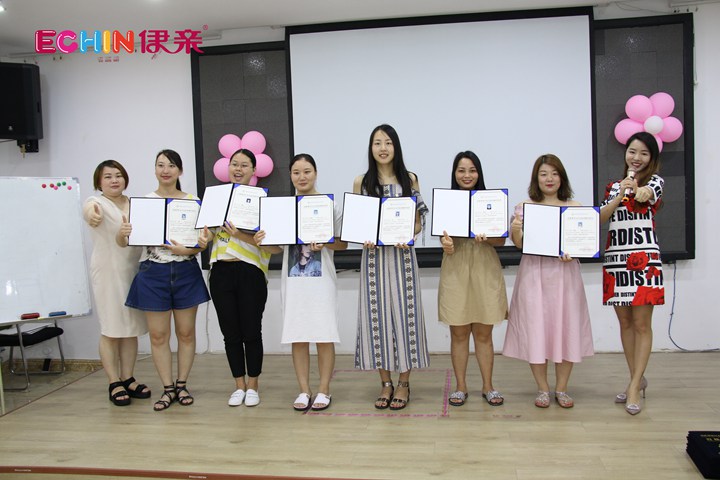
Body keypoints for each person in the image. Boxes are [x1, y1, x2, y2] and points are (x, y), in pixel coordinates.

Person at [502, 154, 594, 408]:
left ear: (562, 177)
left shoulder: (575, 207)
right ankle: (542, 389)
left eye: (554, 173)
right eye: (543, 174)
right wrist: (516, 229)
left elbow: (581, 243)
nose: (549, 179)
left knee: (566, 328)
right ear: (536, 178)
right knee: (536, 330)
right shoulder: (524, 207)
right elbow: (519, 244)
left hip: (565, 275)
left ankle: (562, 388)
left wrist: (574, 251)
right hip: (534, 274)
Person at [124, 149, 210, 411]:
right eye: (160, 165)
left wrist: (198, 245)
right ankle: (167, 388)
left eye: (171, 165)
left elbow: (201, 244)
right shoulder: (144, 202)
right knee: (159, 336)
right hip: (153, 273)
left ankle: (182, 384)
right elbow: (128, 240)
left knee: (186, 333)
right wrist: (125, 232)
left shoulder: (193, 202)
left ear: (180, 171)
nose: (165, 170)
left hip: (186, 272)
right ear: (155, 169)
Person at [353, 124, 429, 411]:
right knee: (377, 320)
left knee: (406, 319)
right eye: (377, 143)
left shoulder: (410, 179)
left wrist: (408, 233)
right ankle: (385, 383)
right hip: (373, 260)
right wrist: (363, 235)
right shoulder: (361, 182)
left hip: (402, 259)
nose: (383, 148)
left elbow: (419, 222)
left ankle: (404, 383)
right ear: (371, 148)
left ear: (396, 147)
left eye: (388, 142)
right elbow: (358, 222)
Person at [198, 148, 275, 408]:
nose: (238, 169)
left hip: (251, 271)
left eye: (244, 165)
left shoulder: (263, 202)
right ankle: (238, 385)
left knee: (251, 331)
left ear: (254, 170)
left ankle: (253, 385)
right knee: (230, 333)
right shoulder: (216, 198)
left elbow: (273, 246)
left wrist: (240, 234)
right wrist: (203, 238)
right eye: (234, 164)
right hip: (221, 271)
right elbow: (208, 234)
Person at [277, 154, 347, 411]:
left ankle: (324, 390)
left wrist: (325, 242)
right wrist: (263, 239)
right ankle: (304, 390)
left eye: (307, 171)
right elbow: (275, 248)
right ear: (290, 175)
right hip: (293, 282)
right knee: (298, 335)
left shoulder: (330, 206)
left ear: (315, 173)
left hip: (322, 282)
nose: (302, 177)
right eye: (296, 172)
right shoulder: (284, 208)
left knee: (324, 334)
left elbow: (342, 244)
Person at [600, 132, 664, 415]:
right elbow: (601, 217)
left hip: (645, 263)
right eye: (632, 151)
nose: (636, 158)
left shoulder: (655, 182)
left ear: (652, 158)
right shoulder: (613, 187)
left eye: (643, 153)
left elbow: (646, 196)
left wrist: (637, 189)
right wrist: (620, 194)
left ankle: (634, 386)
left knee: (641, 325)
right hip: (617, 262)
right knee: (625, 323)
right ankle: (636, 378)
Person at [438, 151, 508, 407]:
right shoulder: (447, 202)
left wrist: (488, 237)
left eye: (472, 170)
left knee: (483, 334)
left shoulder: (492, 202)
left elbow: (500, 241)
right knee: (458, 333)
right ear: (454, 174)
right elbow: (444, 238)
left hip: (484, 268)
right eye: (461, 170)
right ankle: (460, 387)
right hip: (455, 268)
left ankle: (488, 386)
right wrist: (446, 244)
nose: (467, 175)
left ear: (479, 173)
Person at [83, 160, 151, 406]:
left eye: (118, 175)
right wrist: (92, 215)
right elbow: (90, 213)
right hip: (108, 272)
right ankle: (113, 381)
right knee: (111, 328)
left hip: (133, 271)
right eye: (108, 176)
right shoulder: (96, 203)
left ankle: (128, 377)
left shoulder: (135, 204)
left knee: (130, 328)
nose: (114, 180)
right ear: (99, 182)